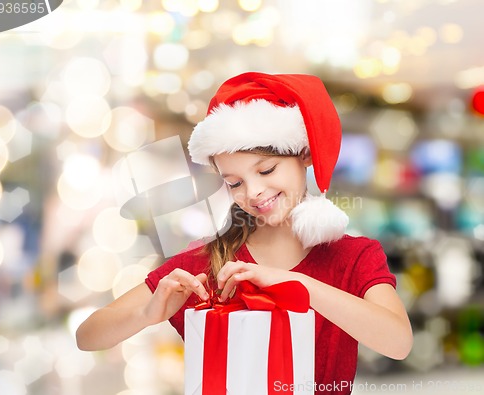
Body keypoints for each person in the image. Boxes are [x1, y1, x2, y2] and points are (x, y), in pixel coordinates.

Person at [76, 72, 413, 394]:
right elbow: (87, 336)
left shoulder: (353, 257)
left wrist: (296, 286)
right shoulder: (211, 264)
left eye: (266, 170)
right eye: (234, 183)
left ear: (305, 155)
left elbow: (398, 341)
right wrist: (146, 315)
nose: (252, 192)